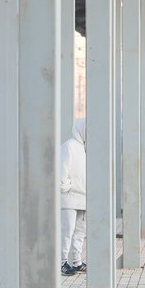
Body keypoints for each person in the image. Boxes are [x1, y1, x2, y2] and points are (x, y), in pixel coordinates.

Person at [60, 118, 87, 276]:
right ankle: (62, 261)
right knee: (66, 231)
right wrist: (65, 187)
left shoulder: (84, 148)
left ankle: (76, 261)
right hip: (69, 198)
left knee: (79, 231)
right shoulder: (69, 145)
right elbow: (61, 169)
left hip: (83, 198)